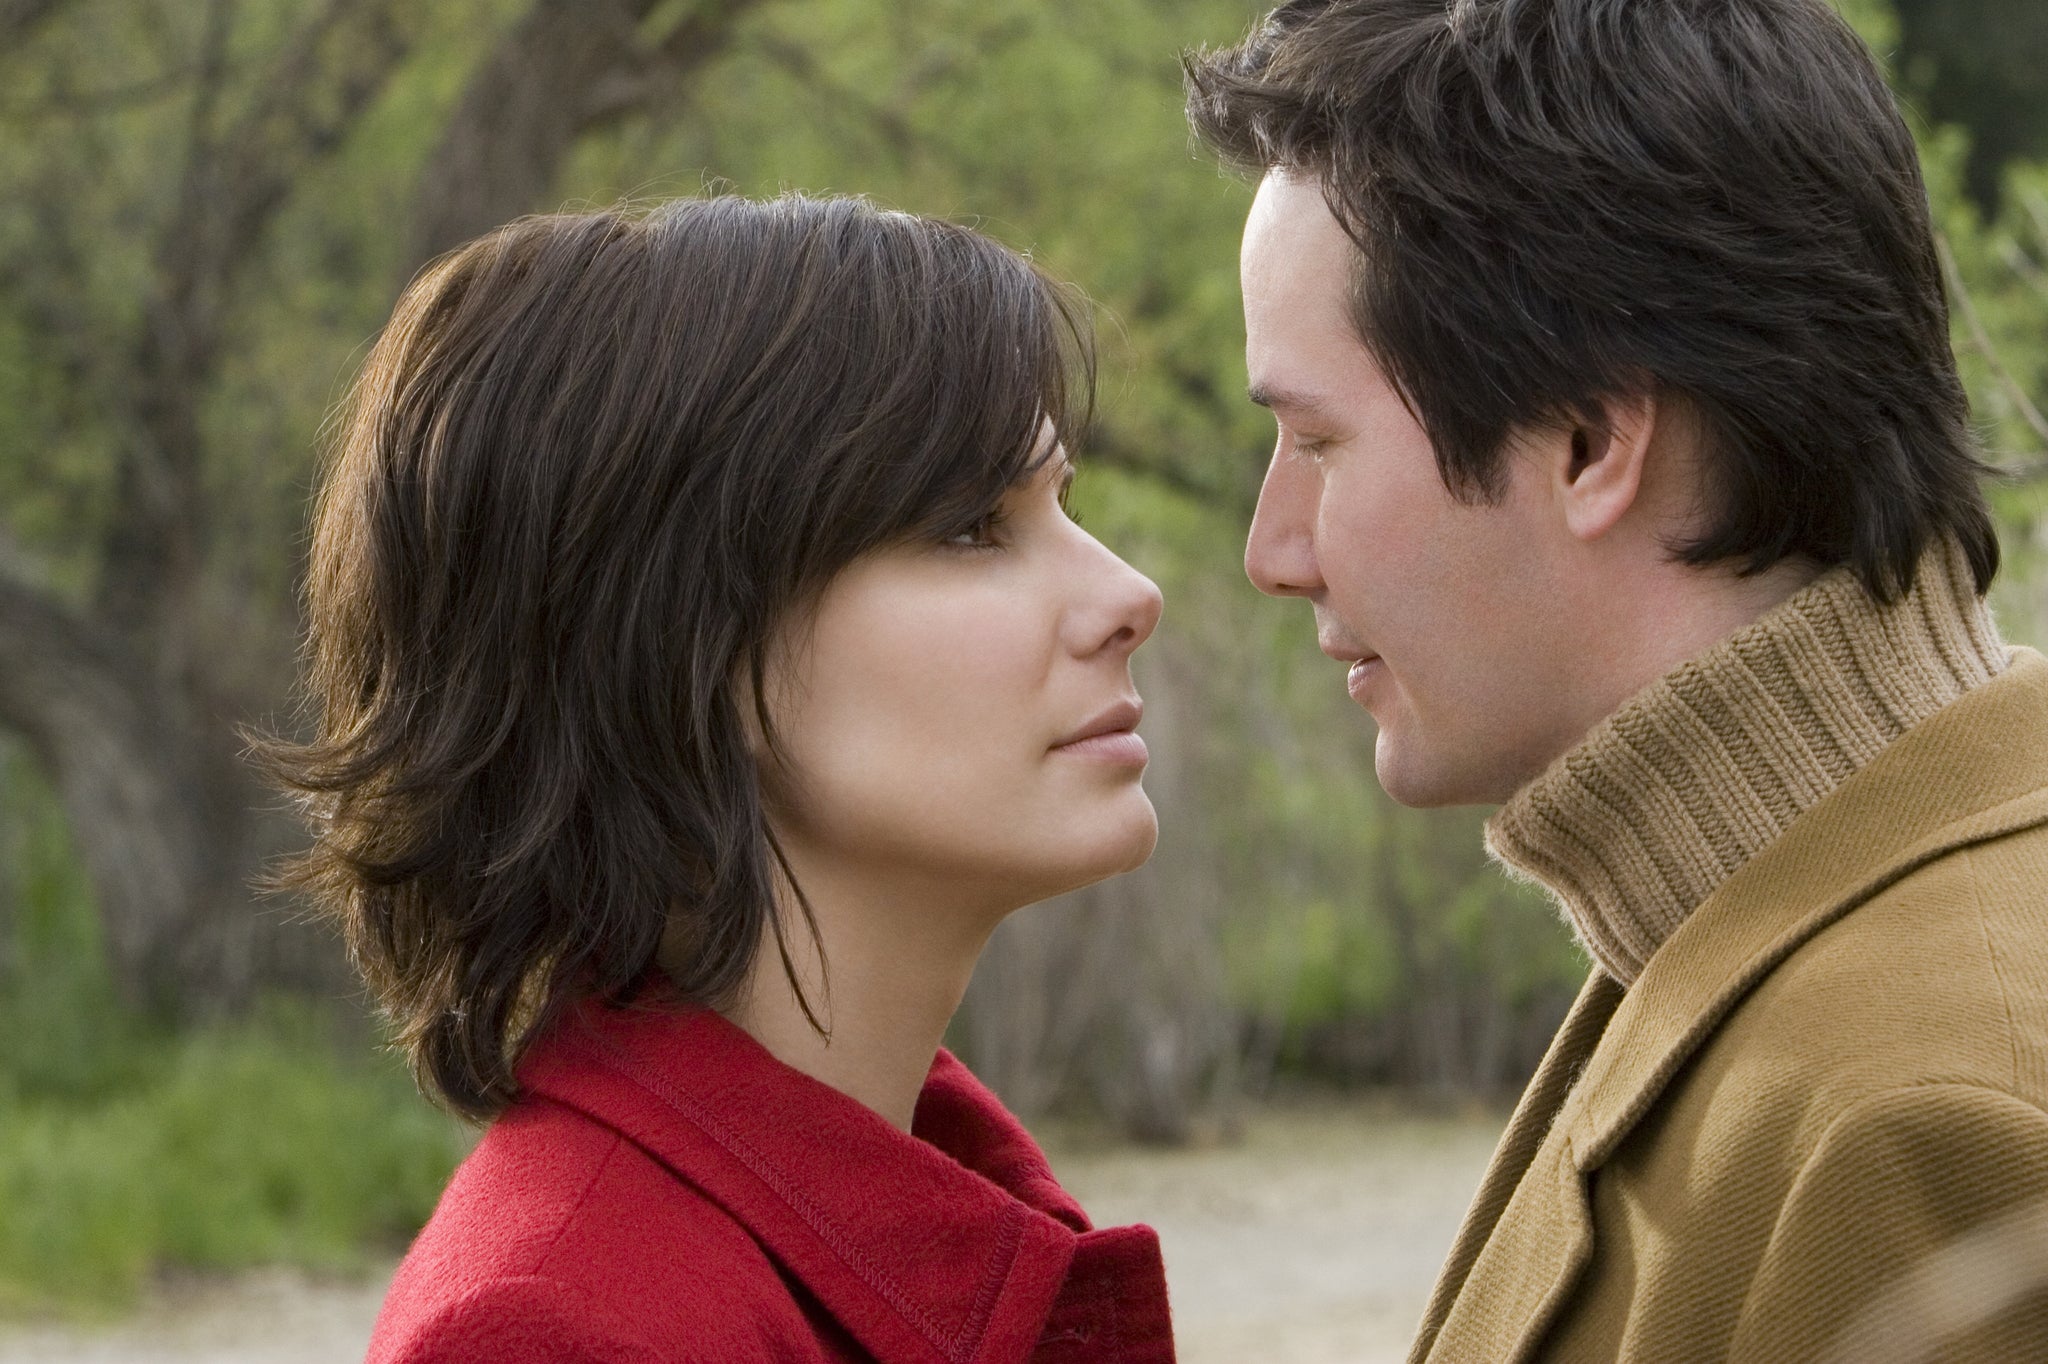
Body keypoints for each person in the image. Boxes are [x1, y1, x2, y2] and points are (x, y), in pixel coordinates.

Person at [1187, 1, 2048, 1359]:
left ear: (1591, 441)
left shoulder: (1926, 1121)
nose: (1270, 551)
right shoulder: (1748, 921)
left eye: (1315, 440)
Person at [258, 194, 1175, 1363]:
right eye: (968, 525)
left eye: (1064, 504)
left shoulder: (900, 1210)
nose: (1127, 594)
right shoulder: (563, 1331)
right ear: (682, 637)